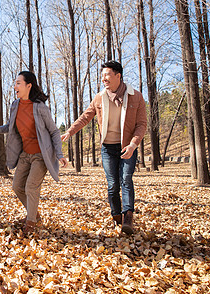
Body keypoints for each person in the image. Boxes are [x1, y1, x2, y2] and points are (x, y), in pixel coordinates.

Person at [61, 61, 147, 235]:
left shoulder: (135, 96)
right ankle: (117, 216)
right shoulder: (100, 97)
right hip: (108, 148)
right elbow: (85, 117)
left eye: (107, 74)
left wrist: (133, 144)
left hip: (127, 146)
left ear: (118, 75)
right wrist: (70, 132)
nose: (103, 79)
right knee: (113, 184)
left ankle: (128, 217)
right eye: (102, 76)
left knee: (126, 179)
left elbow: (141, 124)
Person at [0, 71, 68, 234]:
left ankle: (31, 223)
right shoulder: (15, 105)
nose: (15, 86)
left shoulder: (40, 107)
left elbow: (54, 131)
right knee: (17, 186)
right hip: (25, 155)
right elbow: (8, 127)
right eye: (15, 83)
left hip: (41, 155)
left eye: (18, 83)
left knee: (31, 187)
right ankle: (34, 216)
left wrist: (60, 154)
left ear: (28, 85)